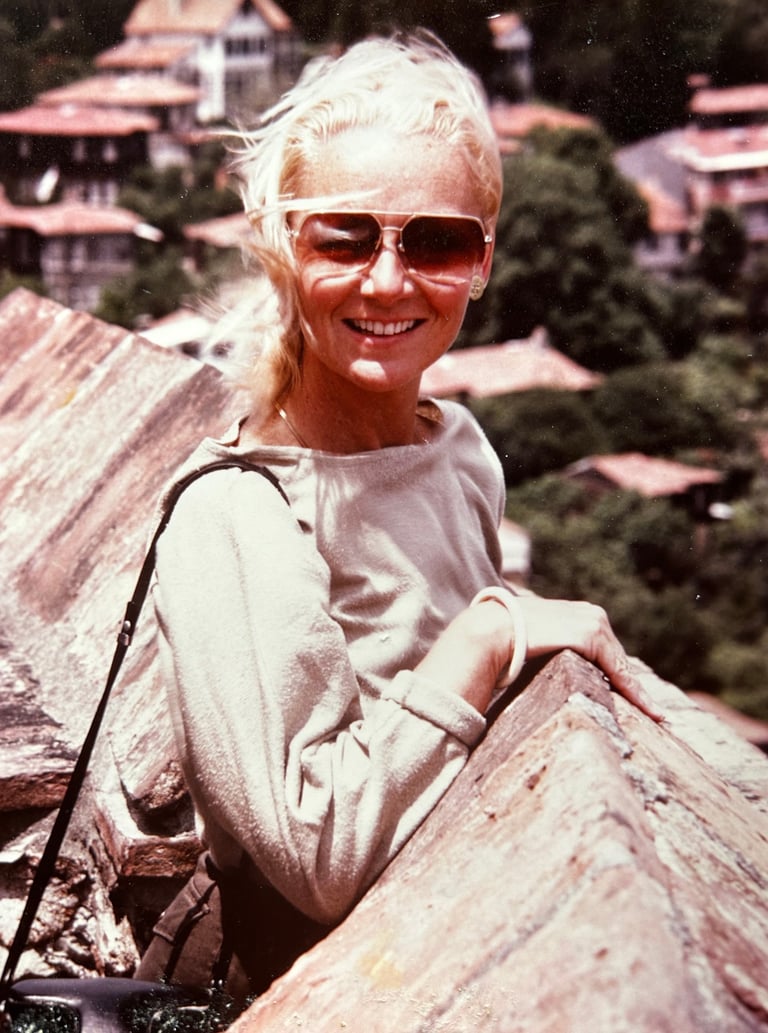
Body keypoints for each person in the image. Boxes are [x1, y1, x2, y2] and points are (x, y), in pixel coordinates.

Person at [136, 31, 664, 1007]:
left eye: (436, 240)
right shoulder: (237, 516)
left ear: (482, 262)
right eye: (343, 235)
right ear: (281, 247)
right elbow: (318, 855)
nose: (388, 281)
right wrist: (492, 631)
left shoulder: (456, 446)